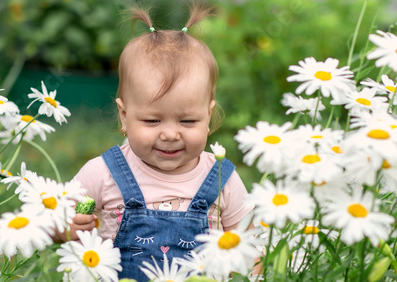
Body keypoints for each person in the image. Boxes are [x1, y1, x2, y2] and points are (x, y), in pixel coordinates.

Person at [64, 3, 254, 281]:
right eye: (152, 121)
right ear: (125, 116)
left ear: (208, 115)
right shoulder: (102, 173)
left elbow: (249, 247)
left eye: (187, 121)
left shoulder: (222, 179)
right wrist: (67, 228)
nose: (170, 134)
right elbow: (54, 221)